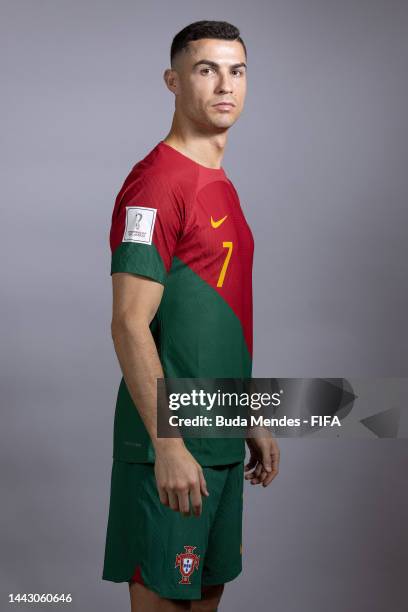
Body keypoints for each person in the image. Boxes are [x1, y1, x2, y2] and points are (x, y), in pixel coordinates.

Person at [102, 20, 280, 612]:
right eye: (207, 70)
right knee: (162, 596)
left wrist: (246, 411)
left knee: (205, 594)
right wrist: (168, 442)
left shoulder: (220, 184)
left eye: (237, 70)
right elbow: (128, 322)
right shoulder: (156, 185)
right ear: (174, 81)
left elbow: (213, 315)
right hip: (173, 445)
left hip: (220, 433)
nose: (225, 85)